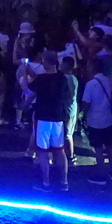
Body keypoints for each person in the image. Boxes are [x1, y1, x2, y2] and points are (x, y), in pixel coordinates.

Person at [29, 51, 72, 192]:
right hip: (58, 119)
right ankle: (64, 182)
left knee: (42, 152)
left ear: (46, 61)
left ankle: (46, 183)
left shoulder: (41, 79)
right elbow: (69, 97)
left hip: (43, 119)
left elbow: (29, 92)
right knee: (60, 151)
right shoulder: (63, 78)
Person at [81, 58, 112, 183]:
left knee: (98, 148)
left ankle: (101, 175)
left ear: (92, 68)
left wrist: (83, 116)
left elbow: (86, 103)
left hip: (94, 120)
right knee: (109, 146)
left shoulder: (90, 84)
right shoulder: (107, 80)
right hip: (108, 118)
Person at [61, 54, 81, 161]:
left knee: (67, 134)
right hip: (71, 109)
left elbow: (71, 95)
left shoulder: (68, 79)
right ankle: (69, 154)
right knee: (68, 134)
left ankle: (71, 156)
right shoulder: (73, 78)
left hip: (68, 110)